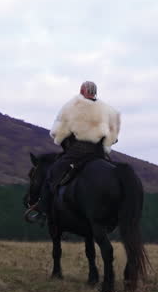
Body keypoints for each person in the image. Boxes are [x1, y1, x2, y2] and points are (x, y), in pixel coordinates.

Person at [34, 81, 121, 220]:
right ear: (94, 92)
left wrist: (67, 145)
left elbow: (58, 132)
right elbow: (114, 137)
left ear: (82, 91)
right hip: (99, 152)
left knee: (52, 173)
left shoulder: (72, 106)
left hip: (77, 151)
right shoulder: (107, 109)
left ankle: (43, 210)